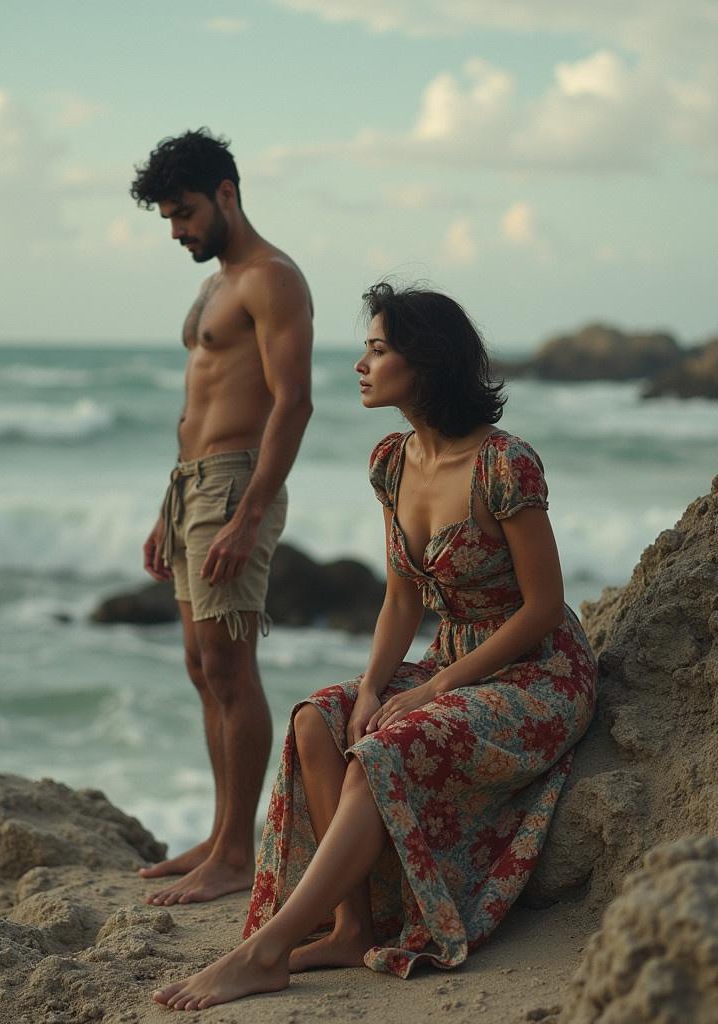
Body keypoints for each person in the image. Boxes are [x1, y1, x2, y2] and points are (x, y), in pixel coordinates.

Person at [152, 282, 596, 1011]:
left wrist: (428, 691)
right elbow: (400, 597)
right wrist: (369, 689)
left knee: (384, 748)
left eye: (378, 349)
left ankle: (265, 952)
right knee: (318, 722)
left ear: (425, 362)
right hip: (453, 661)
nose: (362, 364)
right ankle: (349, 926)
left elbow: (544, 608)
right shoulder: (392, 460)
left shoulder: (505, 464)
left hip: (539, 672)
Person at [129, 129, 313, 905]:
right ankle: (220, 834)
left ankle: (239, 854)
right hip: (191, 487)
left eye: (185, 213)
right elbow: (199, 397)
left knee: (232, 669)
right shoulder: (216, 282)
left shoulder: (272, 279)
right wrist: (165, 510)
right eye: (168, 216)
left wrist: (248, 515)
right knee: (200, 667)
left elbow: (293, 403)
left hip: (235, 486)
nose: (177, 231)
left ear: (227, 194)